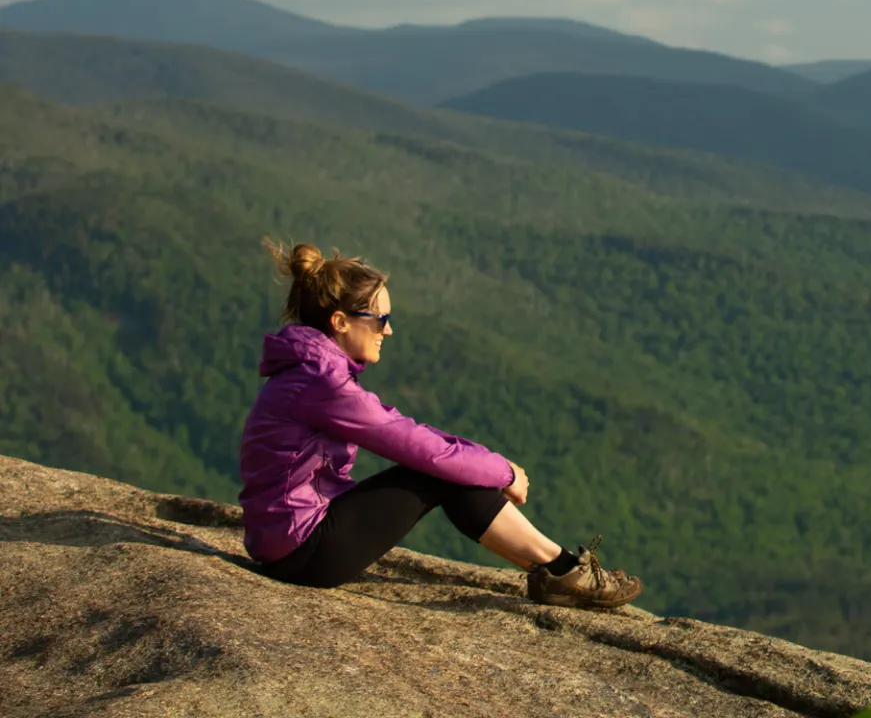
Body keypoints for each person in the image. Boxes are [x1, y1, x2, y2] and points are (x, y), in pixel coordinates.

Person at [238, 239, 642, 609]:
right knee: (440, 473)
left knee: (447, 467)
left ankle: (556, 571)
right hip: (301, 551)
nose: (389, 330)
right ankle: (561, 571)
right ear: (341, 322)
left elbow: (406, 429)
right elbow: (418, 447)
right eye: (379, 320)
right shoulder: (321, 381)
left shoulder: (313, 371)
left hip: (289, 542)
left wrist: (487, 462)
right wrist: (500, 471)